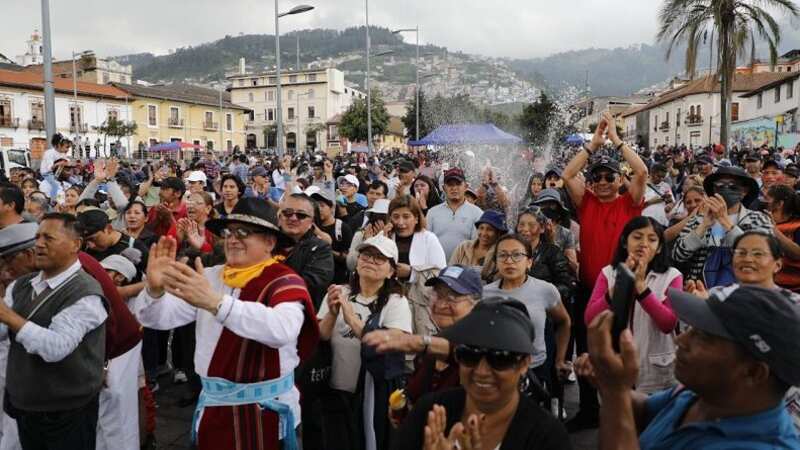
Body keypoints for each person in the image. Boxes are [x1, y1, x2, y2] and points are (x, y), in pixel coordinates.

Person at [131, 198, 319, 450]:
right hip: (213, 408)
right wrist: (154, 291)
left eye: (244, 232)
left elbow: (282, 330)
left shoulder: (285, 281)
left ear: (269, 242)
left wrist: (216, 303)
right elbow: (161, 318)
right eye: (228, 232)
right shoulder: (211, 276)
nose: (232, 239)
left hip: (266, 412)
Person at [578, 285, 800, 449]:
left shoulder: (759, 446)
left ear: (754, 372)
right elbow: (645, 410)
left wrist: (615, 391)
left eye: (703, 336)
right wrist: (610, 379)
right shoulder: (700, 393)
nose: (680, 340)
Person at [560, 110, 648, 431]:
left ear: (618, 180)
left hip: (623, 291)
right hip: (588, 288)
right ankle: (587, 409)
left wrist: (616, 141)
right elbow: (569, 176)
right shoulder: (588, 202)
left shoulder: (630, 203)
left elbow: (641, 171)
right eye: (596, 177)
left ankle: (627, 408)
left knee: (625, 346)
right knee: (586, 349)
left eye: (609, 177)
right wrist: (592, 145)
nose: (601, 182)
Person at [390, 297, 572, 450]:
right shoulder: (430, 412)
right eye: (470, 354)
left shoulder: (546, 435)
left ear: (524, 364)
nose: (482, 371)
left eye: (500, 358)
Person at [0, 213, 107, 450]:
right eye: (37, 237)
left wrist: (9, 316)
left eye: (48, 238)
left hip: (65, 412)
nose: (38, 244)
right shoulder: (22, 285)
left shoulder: (86, 292)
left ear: (75, 245)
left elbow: (56, 347)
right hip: (27, 406)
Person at [318, 234, 412, 450]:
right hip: (334, 387)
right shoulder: (340, 292)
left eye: (380, 258)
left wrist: (351, 318)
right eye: (366, 255)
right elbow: (322, 335)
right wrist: (332, 314)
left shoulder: (396, 302)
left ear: (391, 271)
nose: (370, 260)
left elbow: (390, 344)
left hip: (372, 393)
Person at [584, 216, 682, 394]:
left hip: (657, 373)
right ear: (624, 242)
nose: (644, 244)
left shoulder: (672, 276)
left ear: (659, 248)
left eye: (652, 239)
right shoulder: (608, 273)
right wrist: (621, 282)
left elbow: (668, 323)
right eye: (637, 237)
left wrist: (641, 287)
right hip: (617, 365)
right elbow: (591, 318)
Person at [483, 233, 572, 385]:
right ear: (496, 262)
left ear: (529, 262)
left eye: (517, 255)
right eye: (502, 255)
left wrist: (559, 360)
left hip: (535, 370)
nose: (509, 261)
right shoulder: (485, 294)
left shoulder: (545, 290)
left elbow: (564, 322)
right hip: (496, 370)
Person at [672, 165, 772, 286]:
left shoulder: (758, 219)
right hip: (700, 291)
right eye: (720, 185)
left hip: (743, 292)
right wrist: (702, 226)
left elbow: (763, 256)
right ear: (714, 190)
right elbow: (678, 255)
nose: (725, 189)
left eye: (733, 186)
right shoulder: (698, 220)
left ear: (744, 191)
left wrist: (726, 222)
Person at [387, 195, 446, 336]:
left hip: (420, 305)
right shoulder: (385, 237)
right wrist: (382, 238)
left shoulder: (429, 239)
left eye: (406, 216)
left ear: (416, 218)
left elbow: (441, 273)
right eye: (396, 217)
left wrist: (412, 273)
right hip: (390, 299)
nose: (400, 222)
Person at [278, 193, 334, 309]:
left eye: (301, 215)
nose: (293, 218)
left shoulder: (321, 249)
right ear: (280, 217)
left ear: (311, 222)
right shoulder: (265, 242)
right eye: (287, 213)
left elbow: (312, 285)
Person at [426, 168, 484, 261]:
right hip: (436, 269)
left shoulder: (477, 213)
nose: (454, 188)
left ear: (465, 186)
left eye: (458, 184)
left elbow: (479, 246)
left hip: (465, 270)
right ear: (444, 188)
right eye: (450, 185)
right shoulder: (432, 213)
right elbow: (426, 243)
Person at [311, 190, 353, 285]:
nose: (318, 209)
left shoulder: (342, 228)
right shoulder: (310, 227)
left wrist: (327, 251)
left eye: (322, 205)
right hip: (315, 280)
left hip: (337, 281)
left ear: (332, 207)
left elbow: (348, 258)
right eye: (315, 206)